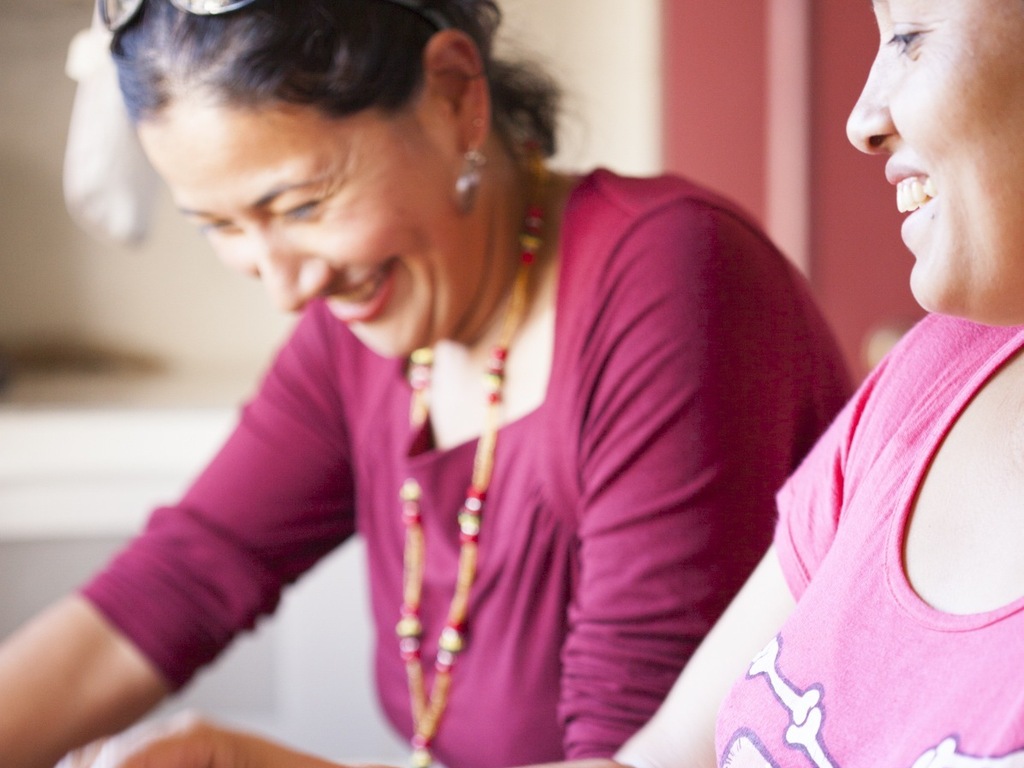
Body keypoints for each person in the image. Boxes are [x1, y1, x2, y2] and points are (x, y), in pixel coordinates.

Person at [0, 2, 853, 768]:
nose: (285, 287)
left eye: (302, 206)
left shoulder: (674, 279)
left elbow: (631, 755)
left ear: (453, 96)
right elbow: (182, 578)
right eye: (218, 226)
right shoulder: (369, 328)